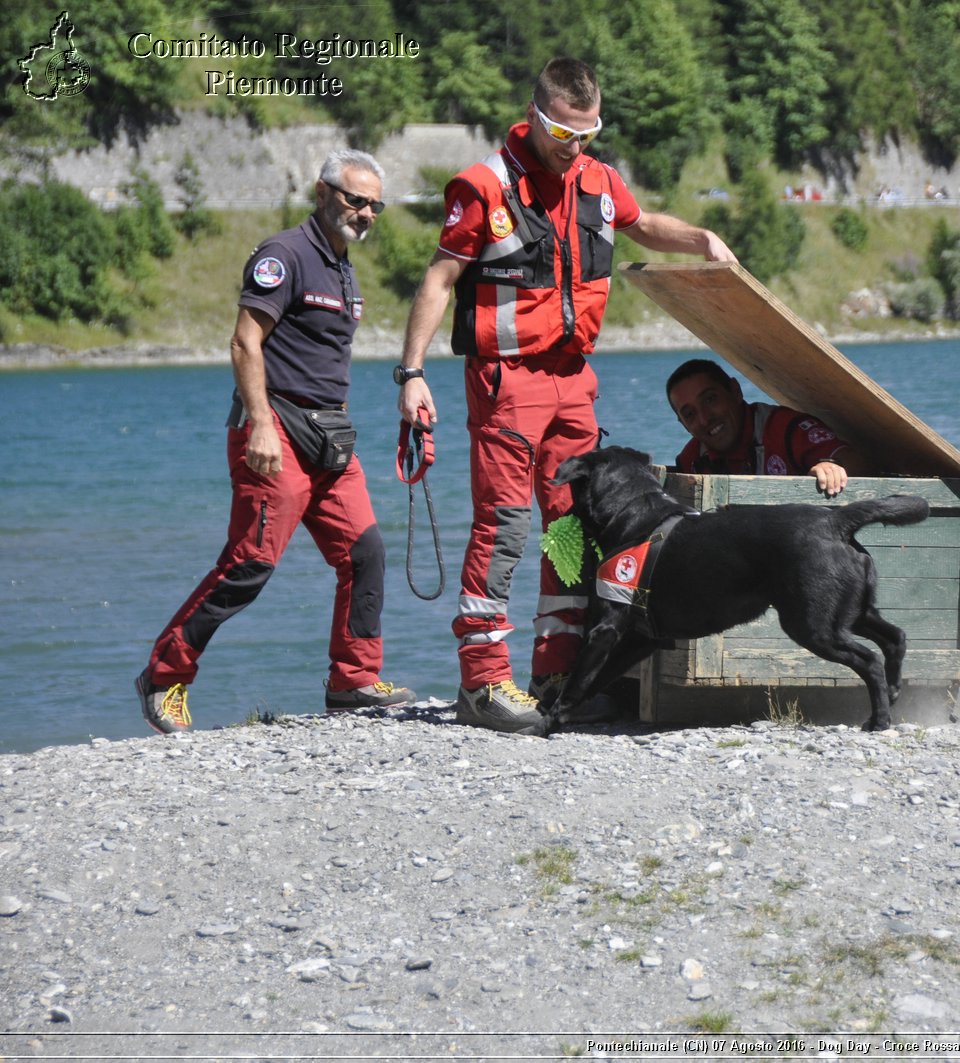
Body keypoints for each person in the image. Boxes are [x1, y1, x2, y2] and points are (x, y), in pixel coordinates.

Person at [395, 56, 735, 733]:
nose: (573, 144)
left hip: (574, 380)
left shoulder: (600, 180)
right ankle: (483, 682)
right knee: (504, 524)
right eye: (560, 130)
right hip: (506, 379)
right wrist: (411, 374)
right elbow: (438, 281)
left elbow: (641, 224)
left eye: (586, 132)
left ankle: (556, 671)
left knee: (571, 526)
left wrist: (700, 239)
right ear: (535, 114)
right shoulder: (483, 186)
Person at [136, 149, 414, 734]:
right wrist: (260, 421)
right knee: (250, 564)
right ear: (322, 193)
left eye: (374, 205)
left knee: (365, 553)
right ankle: (164, 676)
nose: (364, 212)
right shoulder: (283, 256)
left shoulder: (343, 266)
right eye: (354, 199)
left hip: (330, 439)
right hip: (275, 431)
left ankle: (353, 680)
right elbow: (244, 343)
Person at [665, 358, 863, 498]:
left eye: (710, 399)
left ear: (735, 391)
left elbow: (859, 464)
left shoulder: (786, 429)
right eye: (690, 414)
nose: (705, 418)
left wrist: (832, 468)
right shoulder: (690, 460)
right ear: (683, 424)